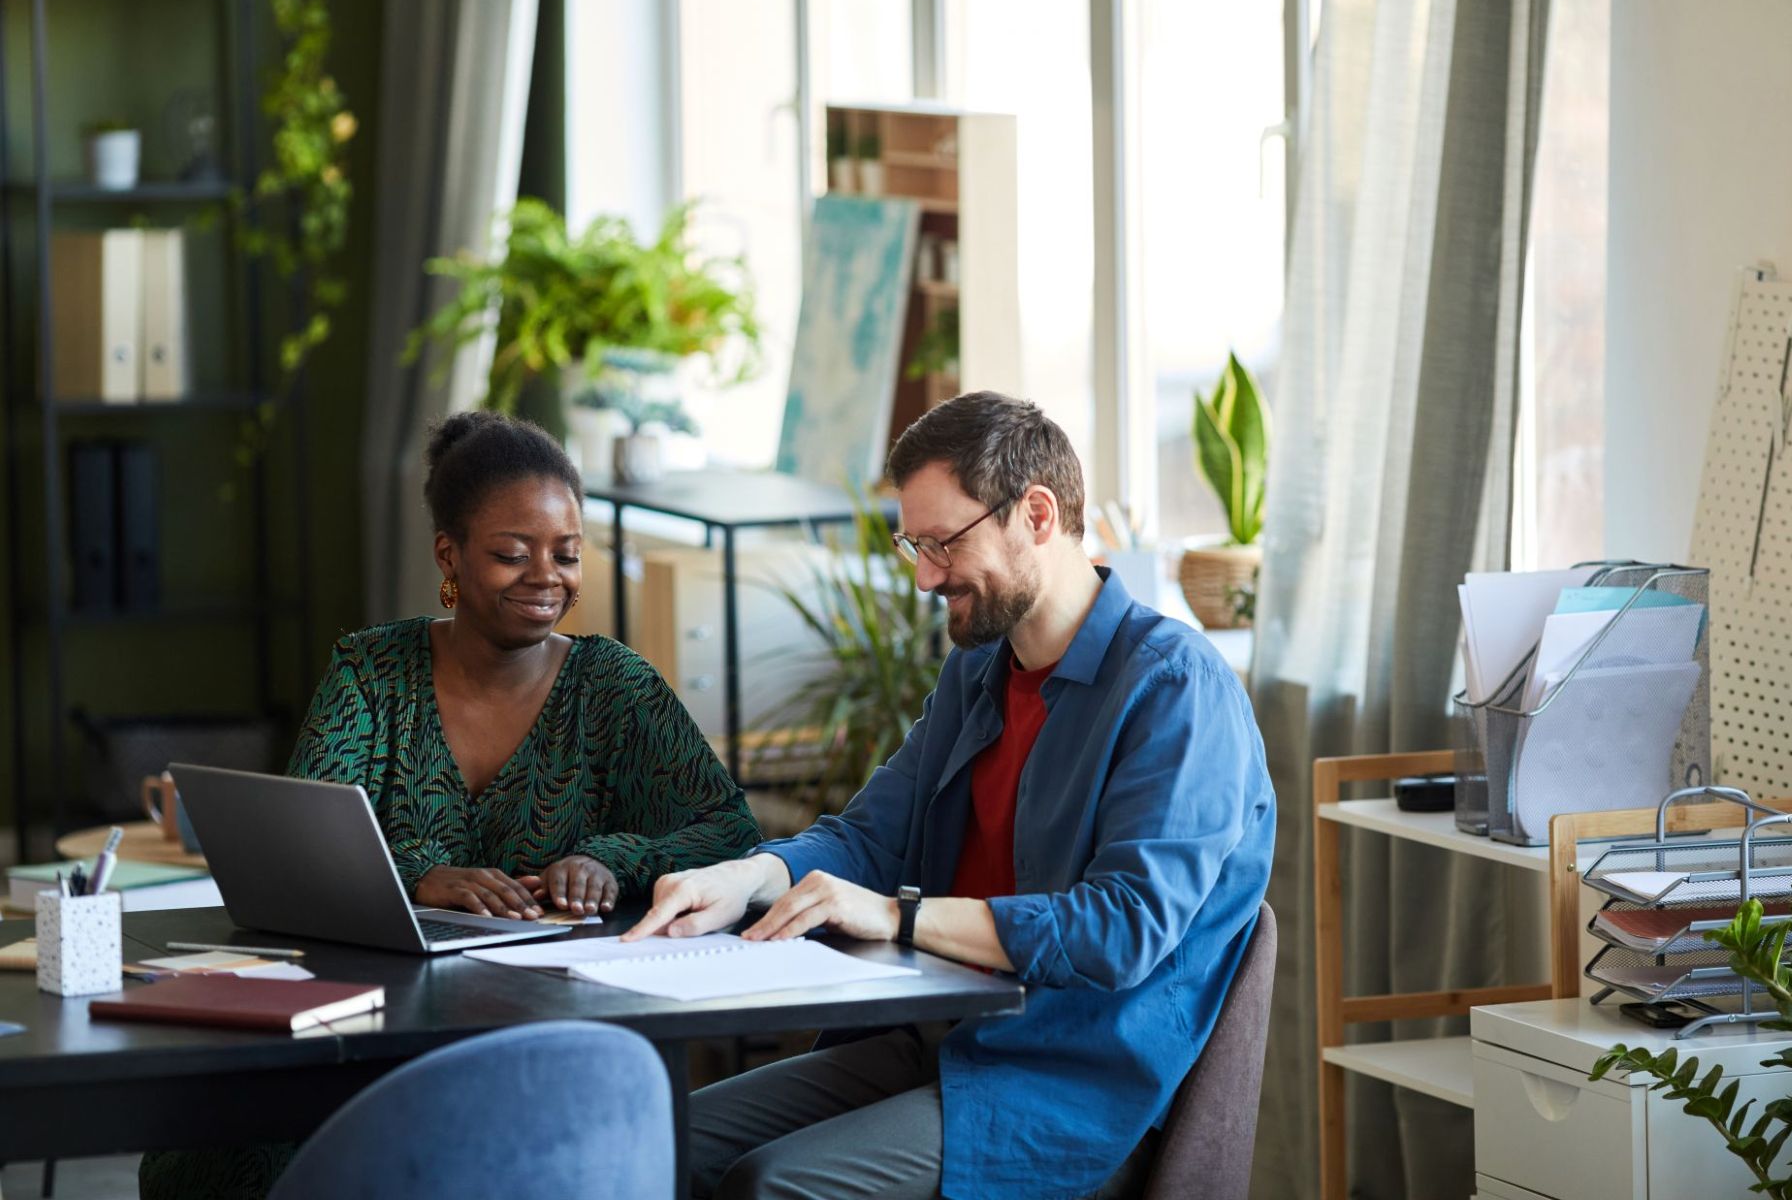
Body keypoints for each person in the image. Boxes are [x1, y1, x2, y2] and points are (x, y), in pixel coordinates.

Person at [630, 391, 1276, 1200]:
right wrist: (749, 876)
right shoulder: (979, 671)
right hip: (937, 1038)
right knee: (652, 1146)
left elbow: (1123, 929)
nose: (928, 576)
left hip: (1065, 1083)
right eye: (915, 545)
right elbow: (870, 838)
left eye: (943, 543)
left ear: (1036, 514)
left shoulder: (1177, 689)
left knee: (773, 1185)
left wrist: (900, 916)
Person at [141, 410, 761, 1200]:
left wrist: (610, 857)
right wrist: (415, 878)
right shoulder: (371, 673)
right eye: (511, 554)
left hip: (548, 1038)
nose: (547, 577)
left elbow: (729, 833)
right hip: (364, 1032)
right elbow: (293, 852)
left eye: (567, 555)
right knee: (222, 1153)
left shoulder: (615, 689)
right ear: (450, 555)